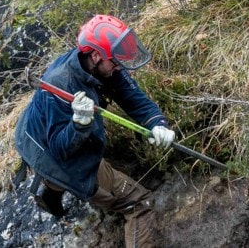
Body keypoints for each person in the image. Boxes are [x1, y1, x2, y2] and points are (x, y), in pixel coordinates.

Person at [14, 14, 175, 247]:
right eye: (115, 61)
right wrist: (79, 124)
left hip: (37, 131)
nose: (119, 67)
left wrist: (158, 123)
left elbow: (133, 98)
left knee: (90, 145)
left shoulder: (101, 66)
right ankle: (55, 182)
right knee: (140, 204)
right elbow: (61, 150)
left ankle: (51, 190)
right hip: (52, 154)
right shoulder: (61, 85)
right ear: (97, 55)